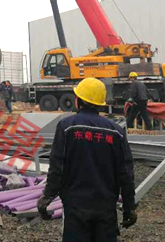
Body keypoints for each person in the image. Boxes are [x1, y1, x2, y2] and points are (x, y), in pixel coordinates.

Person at [37, 77, 137, 242]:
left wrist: (48, 195)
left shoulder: (67, 127)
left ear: (79, 101)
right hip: (105, 207)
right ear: (100, 103)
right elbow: (125, 172)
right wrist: (129, 207)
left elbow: (57, 166)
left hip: (75, 206)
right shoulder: (116, 132)